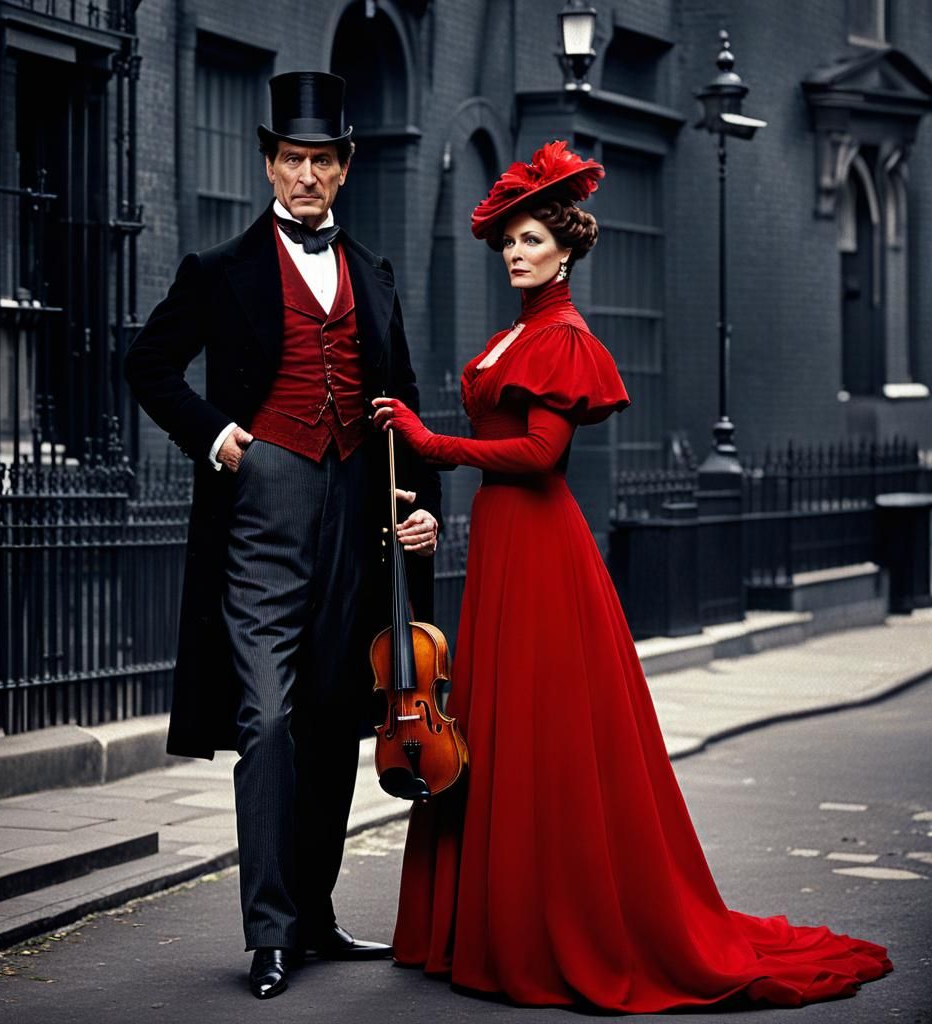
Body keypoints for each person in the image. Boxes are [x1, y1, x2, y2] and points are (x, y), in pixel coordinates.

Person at [372, 140, 892, 1012]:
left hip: (541, 547)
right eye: (509, 241)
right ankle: (481, 929)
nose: (516, 253)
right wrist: (430, 480)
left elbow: (540, 455)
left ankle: (548, 931)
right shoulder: (517, 333)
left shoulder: (566, 336)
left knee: (544, 736)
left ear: (566, 249)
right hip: (502, 540)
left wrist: (431, 445)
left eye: (532, 240)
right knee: (494, 732)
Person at [124, 71, 441, 1000]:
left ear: (344, 170)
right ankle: (267, 929)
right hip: (262, 510)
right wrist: (221, 435)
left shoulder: (374, 275)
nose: (306, 176)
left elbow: (405, 406)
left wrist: (414, 501)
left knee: (340, 714)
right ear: (270, 164)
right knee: (268, 719)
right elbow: (147, 363)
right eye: (292, 159)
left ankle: (312, 911)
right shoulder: (218, 271)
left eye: (322, 161)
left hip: (356, 511)